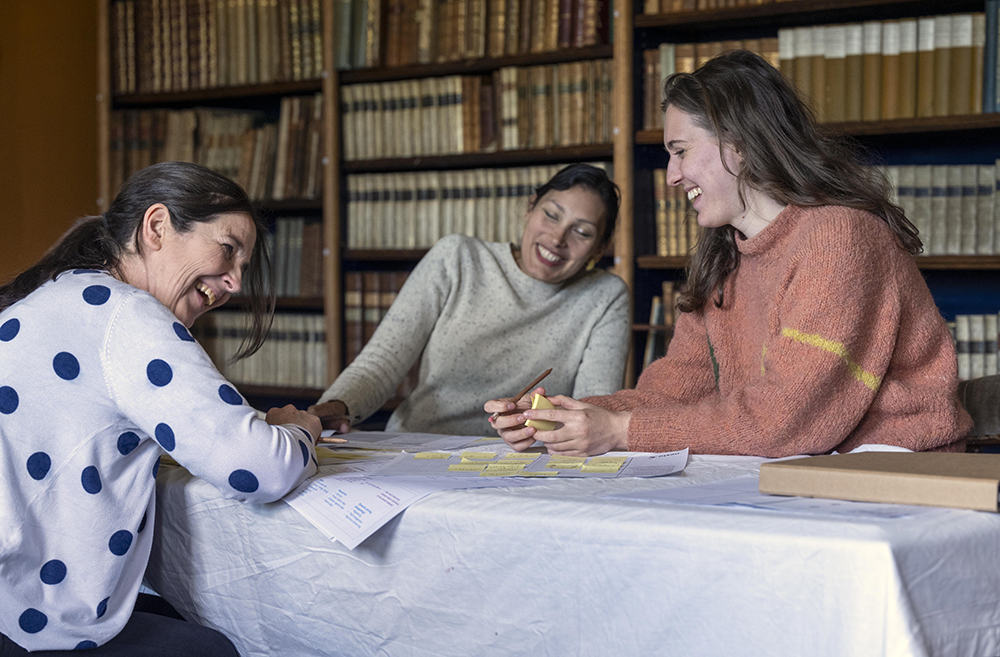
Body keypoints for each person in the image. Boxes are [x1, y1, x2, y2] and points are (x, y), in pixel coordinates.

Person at [487, 50, 972, 457]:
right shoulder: (726, 256)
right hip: (799, 473)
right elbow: (671, 393)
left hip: (896, 480)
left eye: (680, 150)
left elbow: (786, 420)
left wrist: (619, 432)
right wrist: (560, 417)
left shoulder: (838, 239)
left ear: (739, 144)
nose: (672, 176)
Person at [0, 161, 321, 655]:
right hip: (37, 625)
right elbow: (259, 470)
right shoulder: (126, 314)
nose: (234, 282)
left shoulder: (49, 296)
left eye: (243, 267)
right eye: (228, 249)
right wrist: (301, 430)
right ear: (156, 227)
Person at [310, 163, 630, 436]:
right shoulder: (457, 258)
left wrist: (533, 429)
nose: (558, 239)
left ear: (599, 249)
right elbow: (382, 362)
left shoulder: (605, 296)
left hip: (526, 462)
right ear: (529, 207)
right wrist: (337, 408)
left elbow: (592, 412)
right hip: (419, 447)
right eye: (551, 215)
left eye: (582, 232)